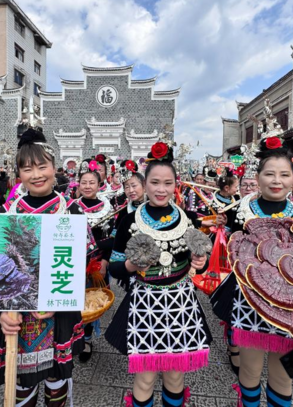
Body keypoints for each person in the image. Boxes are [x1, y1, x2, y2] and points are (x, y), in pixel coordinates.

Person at [211, 121, 293, 407]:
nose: (277, 180)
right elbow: (227, 252)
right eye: (269, 173)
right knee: (250, 372)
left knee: (283, 377)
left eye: (284, 174)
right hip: (250, 301)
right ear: (256, 177)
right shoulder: (240, 209)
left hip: (292, 304)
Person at [106, 140, 211, 407]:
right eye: (154, 182)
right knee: (144, 377)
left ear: (176, 184)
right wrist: (131, 266)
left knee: (176, 377)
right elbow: (115, 265)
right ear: (145, 185)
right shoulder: (129, 220)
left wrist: (201, 261)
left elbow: (200, 260)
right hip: (145, 302)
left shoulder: (188, 218)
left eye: (167, 183)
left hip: (181, 302)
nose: (161, 189)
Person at [0, 128, 85, 407]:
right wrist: (1, 313)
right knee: (22, 383)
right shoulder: (8, 212)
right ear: (18, 174)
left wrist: (60, 298)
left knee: (56, 380)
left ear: (54, 168)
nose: (36, 175)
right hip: (18, 314)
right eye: (27, 168)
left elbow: (79, 263)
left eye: (42, 166)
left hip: (59, 310)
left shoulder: (70, 210)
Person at [74, 158, 114, 362]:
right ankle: (72, 335)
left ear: (99, 185)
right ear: (78, 185)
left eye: (92, 182)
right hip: (73, 262)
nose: (88, 186)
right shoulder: (71, 207)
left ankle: (87, 339)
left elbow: (112, 239)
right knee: (73, 300)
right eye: (84, 182)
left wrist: (105, 260)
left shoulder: (107, 208)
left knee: (91, 300)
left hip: (96, 263)